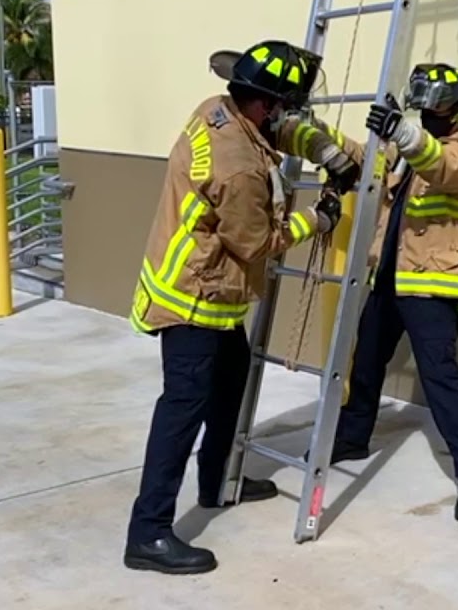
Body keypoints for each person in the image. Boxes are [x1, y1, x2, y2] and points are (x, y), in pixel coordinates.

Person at [124, 39, 360, 575]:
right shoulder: (239, 170)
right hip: (192, 298)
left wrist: (325, 150)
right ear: (266, 104)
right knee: (180, 413)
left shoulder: (220, 110)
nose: (288, 116)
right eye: (286, 106)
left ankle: (216, 481)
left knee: (230, 385)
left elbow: (276, 131)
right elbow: (256, 243)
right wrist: (318, 219)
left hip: (211, 291)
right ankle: (149, 533)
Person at [307, 62, 458, 523]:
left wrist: (405, 134)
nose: (429, 116)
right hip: (390, 282)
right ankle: (353, 437)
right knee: (366, 363)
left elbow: (441, 164)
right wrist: (315, 129)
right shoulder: (407, 154)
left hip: (432, 289)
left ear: (456, 110)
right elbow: (365, 157)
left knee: (441, 380)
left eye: (436, 109)